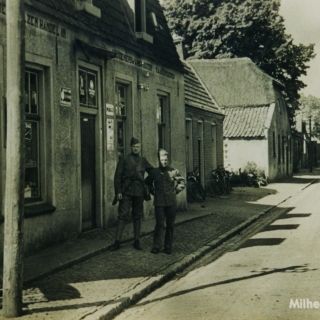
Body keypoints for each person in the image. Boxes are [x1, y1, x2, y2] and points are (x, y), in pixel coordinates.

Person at [110, 137, 153, 251]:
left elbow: (153, 172)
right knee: (123, 216)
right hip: (126, 192)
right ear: (131, 147)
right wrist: (118, 191)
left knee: (137, 216)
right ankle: (117, 242)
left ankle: (137, 241)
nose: (135, 148)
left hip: (139, 192)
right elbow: (117, 176)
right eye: (134, 147)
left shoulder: (143, 161)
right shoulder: (124, 159)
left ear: (140, 147)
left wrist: (147, 183)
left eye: (137, 147)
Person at [146, 149, 185, 254]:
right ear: (159, 160)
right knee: (159, 224)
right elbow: (147, 183)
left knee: (170, 225)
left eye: (166, 160)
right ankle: (156, 246)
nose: (164, 162)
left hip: (171, 203)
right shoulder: (154, 172)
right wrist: (152, 192)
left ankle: (168, 247)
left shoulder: (173, 171)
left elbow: (182, 182)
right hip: (159, 203)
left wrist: (175, 191)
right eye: (162, 160)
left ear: (168, 160)